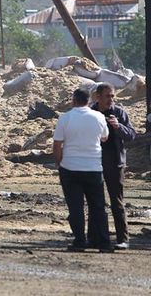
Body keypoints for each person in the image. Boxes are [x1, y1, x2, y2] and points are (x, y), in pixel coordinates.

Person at [53, 89, 112, 253]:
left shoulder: (65, 118)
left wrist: (59, 163)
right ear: (88, 100)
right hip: (93, 167)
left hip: (70, 167)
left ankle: (80, 240)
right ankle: (104, 242)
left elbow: (57, 144)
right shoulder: (98, 117)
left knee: (76, 207)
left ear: (73, 100)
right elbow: (105, 137)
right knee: (98, 207)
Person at [89, 83, 136, 250]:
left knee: (117, 202)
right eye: (107, 96)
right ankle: (95, 238)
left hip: (115, 163)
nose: (111, 99)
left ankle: (122, 239)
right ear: (98, 96)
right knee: (95, 202)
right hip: (93, 163)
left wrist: (118, 126)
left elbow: (131, 135)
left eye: (113, 96)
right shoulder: (91, 113)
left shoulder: (119, 112)